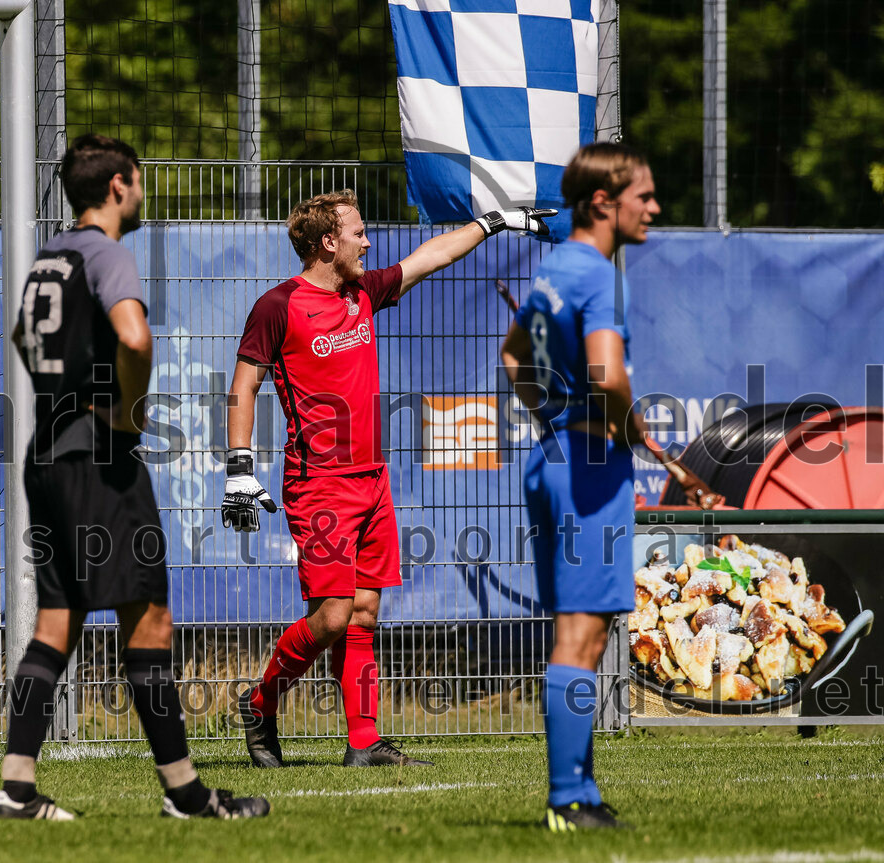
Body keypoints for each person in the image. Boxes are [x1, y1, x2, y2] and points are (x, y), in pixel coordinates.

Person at [222, 190, 554, 767]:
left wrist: (492, 224)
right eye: (357, 232)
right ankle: (261, 703)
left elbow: (433, 257)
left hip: (372, 480)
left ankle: (363, 743)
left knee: (365, 613)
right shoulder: (278, 306)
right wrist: (239, 469)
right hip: (318, 483)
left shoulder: (363, 293)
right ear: (329, 242)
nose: (368, 242)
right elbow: (244, 384)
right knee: (330, 615)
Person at [0, 133, 269, 821]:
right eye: (139, 181)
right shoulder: (106, 252)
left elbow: (21, 338)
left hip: (48, 452)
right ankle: (185, 792)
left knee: (58, 619)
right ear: (118, 186)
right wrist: (130, 412)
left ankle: (16, 787)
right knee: (149, 615)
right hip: (100, 456)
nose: (142, 193)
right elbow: (135, 336)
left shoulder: (48, 258)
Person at [500, 142, 659, 830]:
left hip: (553, 458)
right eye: (643, 196)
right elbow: (607, 375)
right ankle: (568, 797)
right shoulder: (599, 272)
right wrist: (625, 426)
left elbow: (513, 355)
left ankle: (583, 790)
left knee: (579, 632)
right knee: (581, 634)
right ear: (604, 203)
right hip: (590, 466)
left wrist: (553, 418)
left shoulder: (554, 267)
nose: (654, 207)